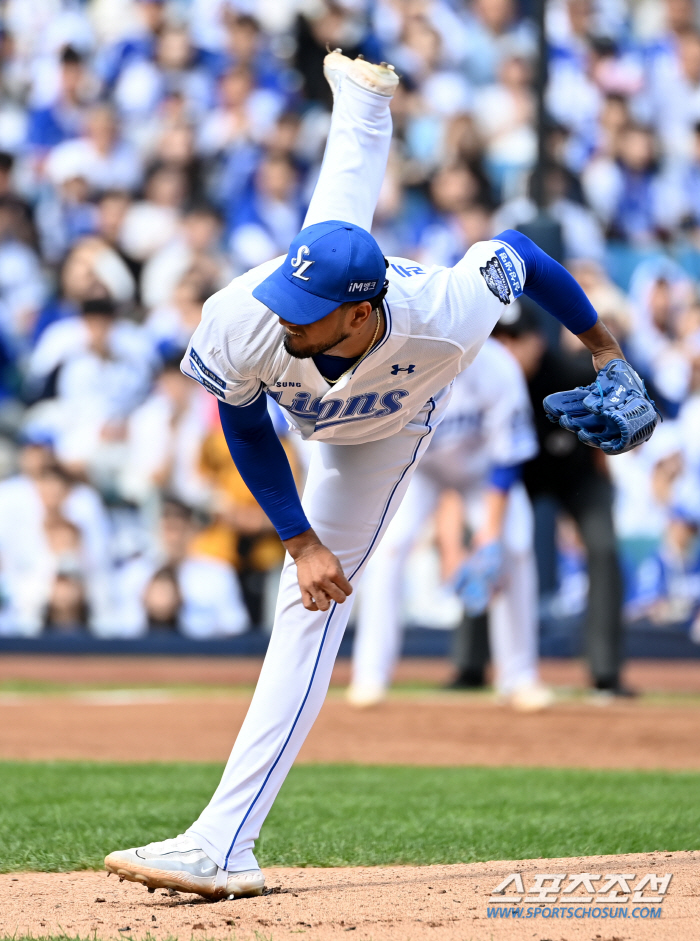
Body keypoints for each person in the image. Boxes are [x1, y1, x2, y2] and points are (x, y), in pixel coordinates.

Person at [105, 52, 646, 901]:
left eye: (308, 310)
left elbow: (520, 254)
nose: (285, 313)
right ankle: (360, 104)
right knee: (331, 226)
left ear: (360, 312)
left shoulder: (449, 313)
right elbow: (243, 422)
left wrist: (604, 346)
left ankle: (222, 844)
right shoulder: (253, 313)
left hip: (383, 438)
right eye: (286, 296)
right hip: (314, 401)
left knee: (307, 610)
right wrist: (296, 535)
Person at [348, 334, 550, 711]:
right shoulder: (406, 361)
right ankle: (370, 674)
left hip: (484, 475)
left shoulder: (498, 366)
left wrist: (489, 534)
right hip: (418, 471)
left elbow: (508, 458)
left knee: (516, 548)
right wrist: (452, 548)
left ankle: (519, 677)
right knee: (387, 550)